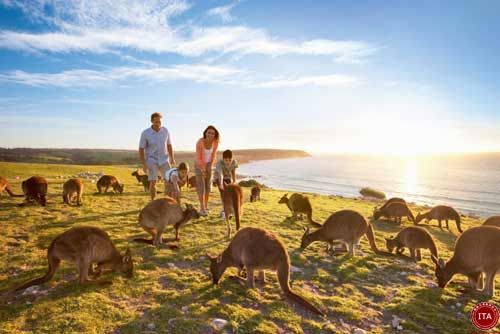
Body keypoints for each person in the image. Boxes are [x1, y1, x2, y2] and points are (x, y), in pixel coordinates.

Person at [139, 112, 176, 200]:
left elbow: (169, 145)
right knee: (153, 181)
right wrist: (144, 164)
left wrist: (172, 158)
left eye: (159, 122)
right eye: (156, 122)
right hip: (152, 160)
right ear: (152, 121)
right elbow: (141, 149)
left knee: (168, 181)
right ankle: (153, 201)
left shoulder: (165, 131)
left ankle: (168, 201)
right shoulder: (145, 133)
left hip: (164, 159)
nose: (158, 124)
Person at [195, 125, 219, 216]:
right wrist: (203, 169)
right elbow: (198, 157)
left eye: (212, 133)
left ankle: (205, 206)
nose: (210, 134)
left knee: (208, 187)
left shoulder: (215, 143)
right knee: (201, 187)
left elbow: (213, 156)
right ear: (205, 133)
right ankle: (202, 208)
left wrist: (209, 166)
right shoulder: (200, 142)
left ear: (214, 135)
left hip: (209, 165)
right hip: (199, 166)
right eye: (209, 132)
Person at [214, 149, 238, 218]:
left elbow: (233, 172)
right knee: (223, 193)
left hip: (228, 177)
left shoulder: (234, 162)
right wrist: (221, 183)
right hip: (219, 178)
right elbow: (220, 174)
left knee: (230, 194)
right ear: (223, 159)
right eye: (226, 160)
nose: (228, 162)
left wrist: (234, 182)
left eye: (229, 160)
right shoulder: (219, 163)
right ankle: (224, 211)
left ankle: (230, 210)